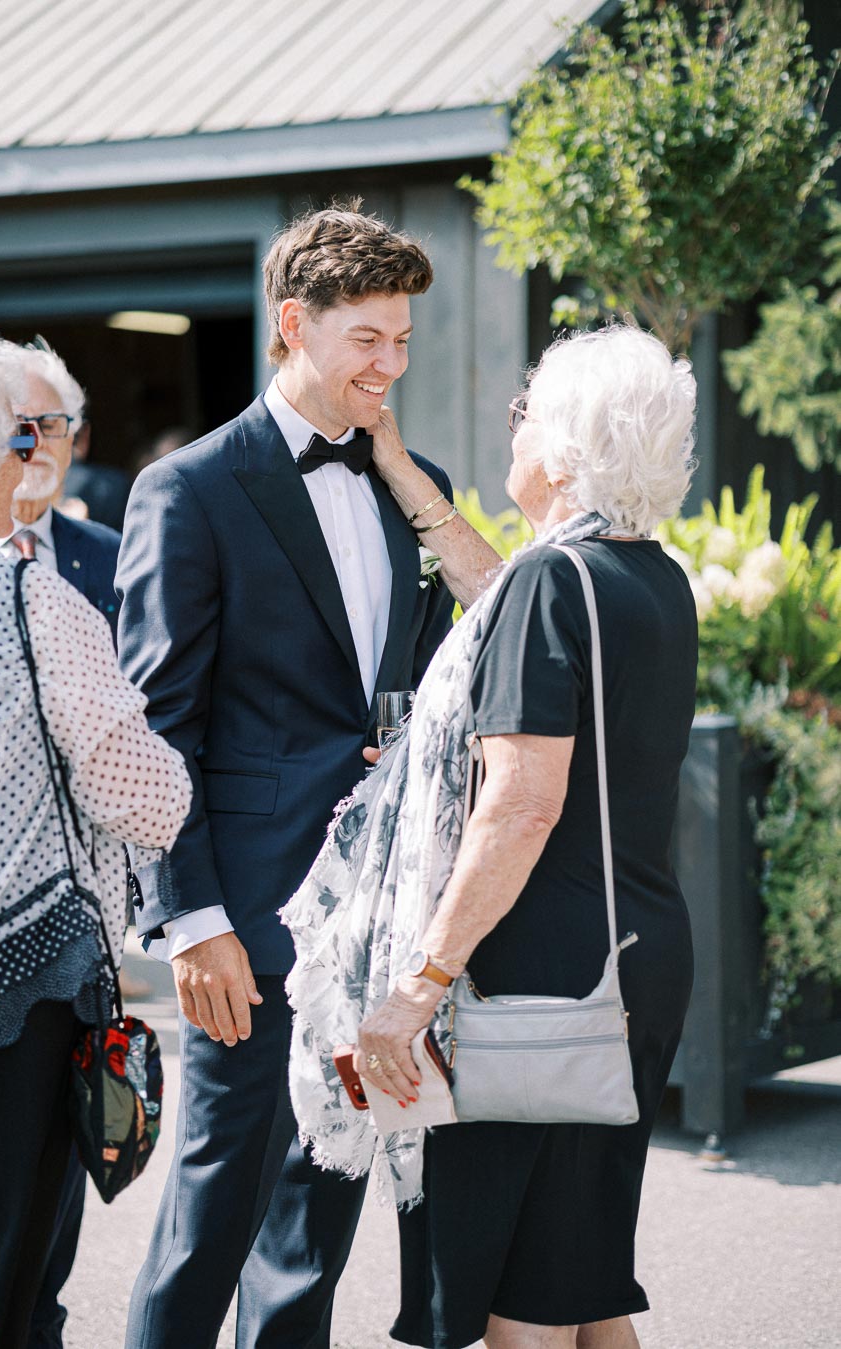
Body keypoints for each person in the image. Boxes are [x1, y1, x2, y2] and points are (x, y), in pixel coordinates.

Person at [284, 324, 698, 1349]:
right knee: (585, 1281)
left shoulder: (552, 586)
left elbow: (520, 803)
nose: (508, 429)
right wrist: (407, 480)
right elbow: (500, 595)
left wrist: (418, 985)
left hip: (541, 985)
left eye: (522, 414)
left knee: (526, 1306)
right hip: (629, 960)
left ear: (561, 445)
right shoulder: (645, 578)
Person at [118, 204, 460, 1349]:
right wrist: (195, 919)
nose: (391, 364)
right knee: (212, 1218)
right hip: (249, 927)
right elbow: (153, 729)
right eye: (367, 338)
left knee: (317, 1226)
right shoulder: (193, 489)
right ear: (291, 328)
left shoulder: (416, 483)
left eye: (404, 339)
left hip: (373, 927)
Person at [0, 322, 192, 1349]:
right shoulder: (31, 600)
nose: (33, 462)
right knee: (1, 1290)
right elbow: (152, 801)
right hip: (12, 1004)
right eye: (17, 442)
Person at [0, 338, 126, 1349]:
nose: (38, 444)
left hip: (75, 942)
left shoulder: (109, 560)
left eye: (56, 425)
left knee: (48, 1224)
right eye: (18, 423)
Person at [0, 340, 121, 640]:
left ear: (73, 442)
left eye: (50, 424)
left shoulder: (113, 555)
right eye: (18, 427)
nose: (35, 441)